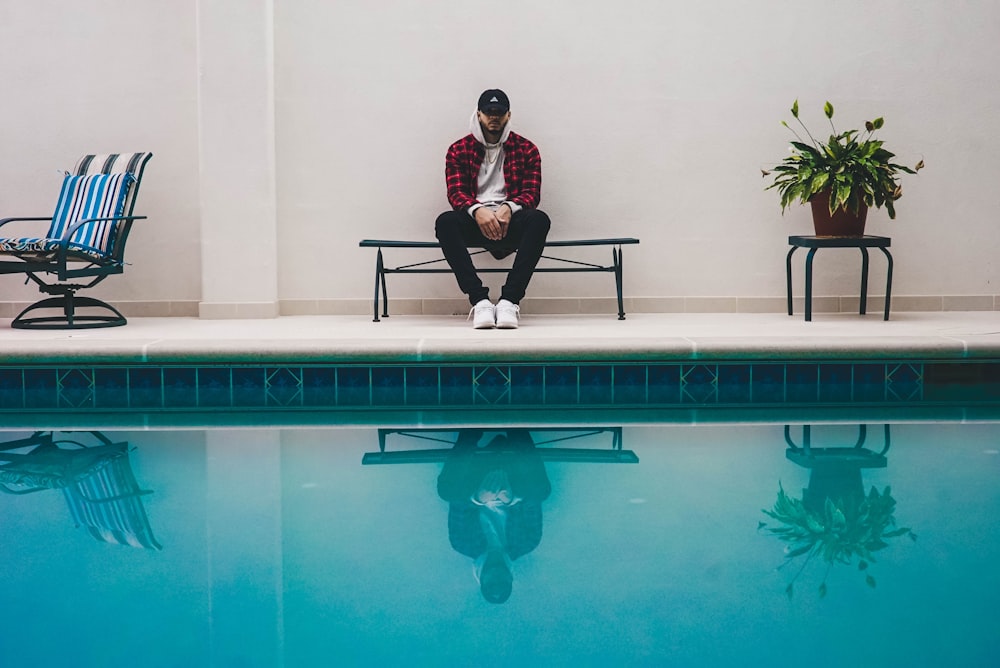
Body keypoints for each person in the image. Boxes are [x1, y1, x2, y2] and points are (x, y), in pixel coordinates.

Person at [435, 89, 551, 330]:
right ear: (478, 114)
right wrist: (478, 211)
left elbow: (532, 193)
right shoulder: (459, 150)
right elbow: (456, 193)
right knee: (445, 222)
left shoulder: (527, 149)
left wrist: (508, 208)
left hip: (512, 221)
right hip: (475, 221)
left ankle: (510, 300)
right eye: (489, 112)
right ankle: (480, 302)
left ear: (508, 115)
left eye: (499, 112)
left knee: (539, 220)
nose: (494, 117)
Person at [436, 429, 552, 603]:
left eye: (492, 583)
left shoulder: (462, 544)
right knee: (540, 491)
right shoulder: (528, 542)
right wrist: (511, 499)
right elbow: (533, 503)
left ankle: (471, 429)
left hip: (476, 477)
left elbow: (458, 505)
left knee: (447, 491)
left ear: (482, 580)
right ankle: (516, 424)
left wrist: (478, 498)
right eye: (502, 582)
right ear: (510, 579)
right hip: (513, 477)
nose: (497, 578)